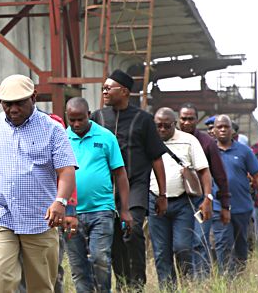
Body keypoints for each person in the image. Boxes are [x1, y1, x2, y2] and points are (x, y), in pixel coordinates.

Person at [0, 74, 76, 293]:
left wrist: (60, 201)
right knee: (1, 275)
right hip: (0, 216)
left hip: (40, 219)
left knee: (41, 284)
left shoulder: (52, 129)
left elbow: (66, 170)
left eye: (19, 103)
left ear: (33, 97)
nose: (13, 109)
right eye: (7, 104)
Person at [90, 69, 168, 290]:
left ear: (124, 91)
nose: (104, 91)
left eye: (108, 88)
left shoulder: (143, 119)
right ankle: (122, 284)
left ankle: (136, 286)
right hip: (105, 189)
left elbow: (156, 159)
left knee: (131, 231)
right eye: (103, 88)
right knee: (113, 238)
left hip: (135, 186)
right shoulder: (98, 117)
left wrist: (162, 195)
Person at [62, 97, 131, 293]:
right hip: (70, 212)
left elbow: (120, 174)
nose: (75, 124)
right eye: (71, 120)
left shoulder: (106, 136)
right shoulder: (61, 138)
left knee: (100, 258)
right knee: (77, 265)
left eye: (80, 119)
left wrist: (124, 209)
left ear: (89, 115)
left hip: (101, 209)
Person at [147, 107, 211, 288]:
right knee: (161, 252)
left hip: (182, 202)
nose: (162, 130)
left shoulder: (189, 141)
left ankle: (186, 283)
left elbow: (204, 171)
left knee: (182, 247)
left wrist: (208, 198)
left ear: (174, 124)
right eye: (158, 126)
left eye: (167, 126)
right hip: (156, 202)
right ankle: (168, 289)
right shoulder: (148, 140)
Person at [210, 114, 258, 273]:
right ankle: (226, 280)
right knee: (223, 243)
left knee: (242, 245)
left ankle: (239, 276)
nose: (222, 130)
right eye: (219, 127)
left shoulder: (244, 151)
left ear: (232, 131)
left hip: (242, 207)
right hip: (218, 207)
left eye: (226, 127)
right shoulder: (208, 151)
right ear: (214, 131)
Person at [178, 103, 231, 277]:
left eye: (191, 118)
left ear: (196, 119)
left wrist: (225, 205)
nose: (187, 122)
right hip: (178, 201)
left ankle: (203, 280)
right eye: (183, 118)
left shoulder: (207, 143)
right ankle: (187, 280)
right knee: (182, 244)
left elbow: (220, 176)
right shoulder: (169, 141)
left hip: (202, 201)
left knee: (199, 240)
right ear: (178, 119)